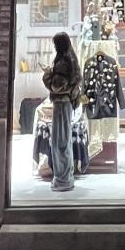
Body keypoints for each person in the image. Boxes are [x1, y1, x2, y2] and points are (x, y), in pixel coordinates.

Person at [42, 31, 82, 192]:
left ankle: (62, 179)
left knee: (59, 142)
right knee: (64, 141)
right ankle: (66, 177)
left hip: (61, 104)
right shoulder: (71, 60)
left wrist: (47, 74)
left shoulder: (62, 63)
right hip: (67, 104)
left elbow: (56, 86)